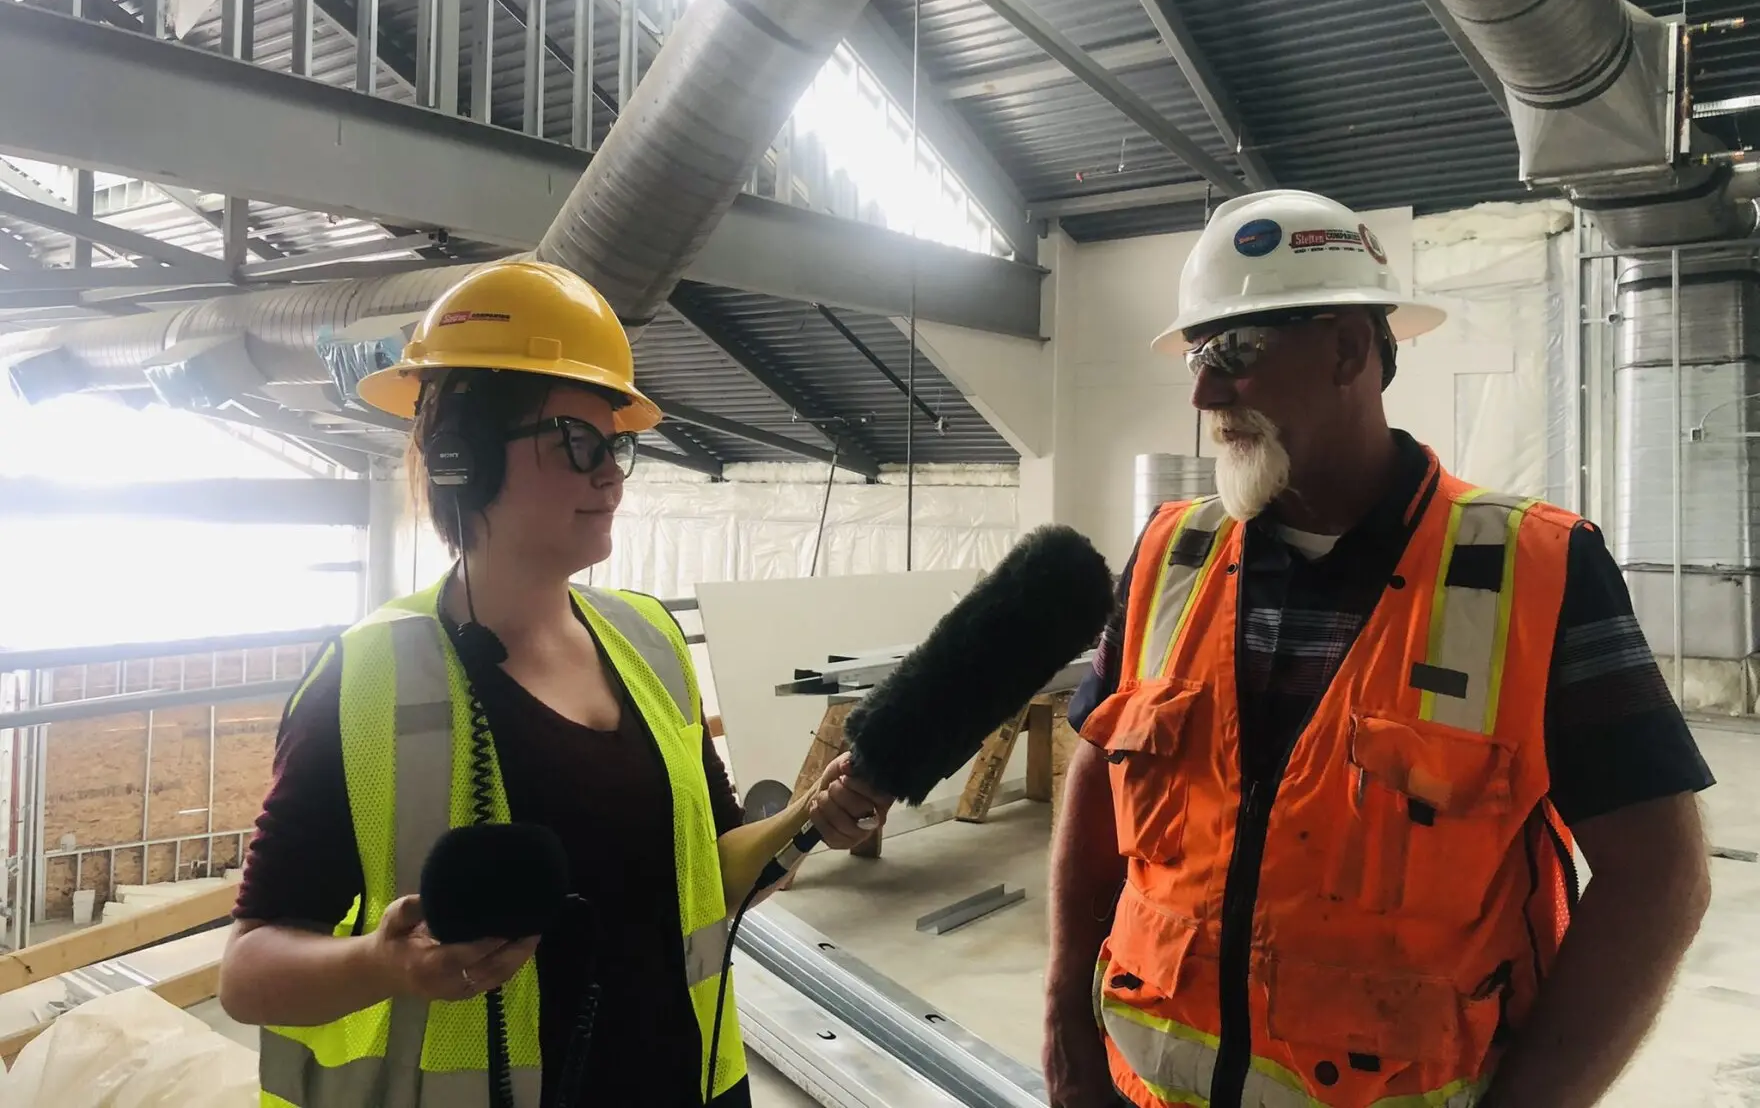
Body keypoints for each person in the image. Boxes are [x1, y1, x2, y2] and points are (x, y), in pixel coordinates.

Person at [1043, 191, 1715, 1108]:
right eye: (1199, 357)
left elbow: (1657, 878)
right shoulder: (1172, 552)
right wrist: (1065, 1028)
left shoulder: (1537, 570)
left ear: (1349, 350)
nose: (1203, 393)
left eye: (1234, 354)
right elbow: (1096, 780)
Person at [218, 260, 886, 1108]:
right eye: (576, 443)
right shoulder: (366, 682)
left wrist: (806, 819)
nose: (609, 473)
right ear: (460, 460)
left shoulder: (650, 641)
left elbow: (705, 873)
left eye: (618, 446)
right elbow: (246, 971)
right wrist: (382, 964)